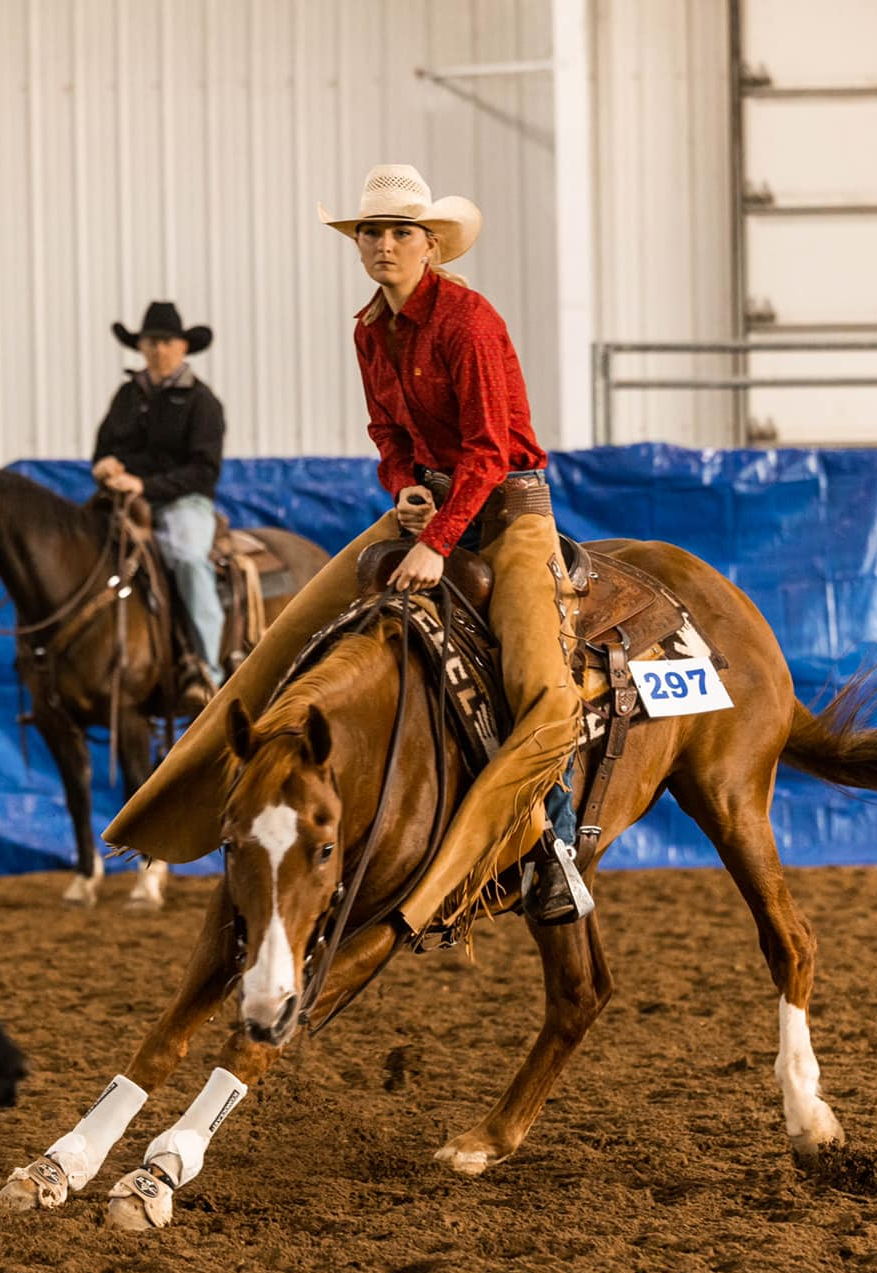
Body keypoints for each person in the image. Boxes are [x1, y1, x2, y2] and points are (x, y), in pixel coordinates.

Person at [103, 165, 589, 929]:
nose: (384, 245)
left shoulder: (470, 322)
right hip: (430, 505)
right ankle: (181, 811)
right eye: (372, 232)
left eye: (400, 232)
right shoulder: (370, 330)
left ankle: (554, 848)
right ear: (358, 245)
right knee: (293, 633)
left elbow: (492, 452)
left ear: (431, 245)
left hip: (509, 512)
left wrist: (433, 541)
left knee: (539, 677)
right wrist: (403, 486)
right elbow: (388, 436)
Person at [94, 301, 227, 700]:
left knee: (187, 558)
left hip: (184, 503)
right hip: (122, 500)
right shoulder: (126, 396)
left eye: (166, 341)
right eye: (151, 341)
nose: (158, 349)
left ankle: (208, 668)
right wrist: (104, 467)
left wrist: (143, 486)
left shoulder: (202, 403)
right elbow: (102, 448)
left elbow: (204, 471)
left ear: (183, 347)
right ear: (141, 347)